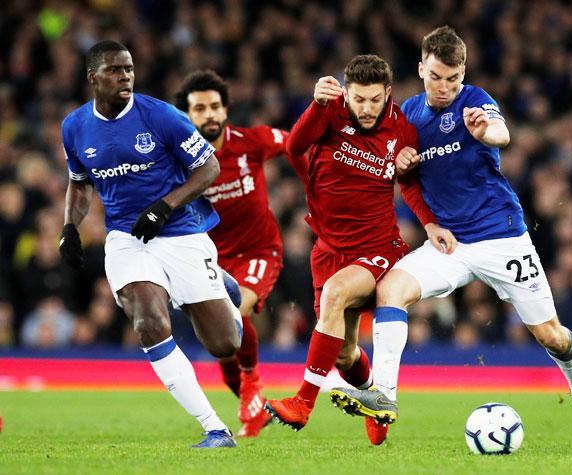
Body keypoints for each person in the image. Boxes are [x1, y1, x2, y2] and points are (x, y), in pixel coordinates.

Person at [329, 25, 572, 447]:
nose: (444, 87)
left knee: (550, 334)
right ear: (421, 68)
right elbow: (406, 181)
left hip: (502, 239)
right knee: (390, 290)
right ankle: (385, 395)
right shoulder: (407, 114)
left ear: (464, 74)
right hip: (451, 243)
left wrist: (486, 132)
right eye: (437, 76)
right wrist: (406, 175)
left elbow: (502, 133)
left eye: (453, 78)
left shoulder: (476, 102)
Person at [59, 40, 242, 449]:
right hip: (127, 238)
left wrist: (165, 206)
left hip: (180, 232)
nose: (125, 76)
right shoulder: (74, 126)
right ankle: (214, 428)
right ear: (93, 77)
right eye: (114, 70)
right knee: (148, 323)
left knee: (224, 344)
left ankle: (223, 288)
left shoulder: (161, 115)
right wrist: (70, 226)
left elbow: (209, 166)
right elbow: (79, 182)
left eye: (129, 69)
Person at [264, 55, 437, 444]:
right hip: (329, 250)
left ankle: (303, 403)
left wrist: (424, 213)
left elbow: (410, 185)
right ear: (346, 92)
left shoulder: (402, 130)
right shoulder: (331, 112)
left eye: (375, 99)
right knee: (343, 355)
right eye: (359, 99)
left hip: (378, 247)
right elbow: (293, 147)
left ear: (388, 94)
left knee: (336, 293)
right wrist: (317, 104)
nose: (367, 108)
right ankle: (375, 397)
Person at [174, 69, 307, 437]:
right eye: (199, 108)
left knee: (235, 309)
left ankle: (252, 380)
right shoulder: (179, 163)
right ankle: (252, 403)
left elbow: (298, 143)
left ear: (226, 109)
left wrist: (317, 185)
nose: (209, 114)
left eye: (215, 106)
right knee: (221, 343)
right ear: (187, 116)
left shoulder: (252, 141)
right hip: (211, 260)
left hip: (259, 251)